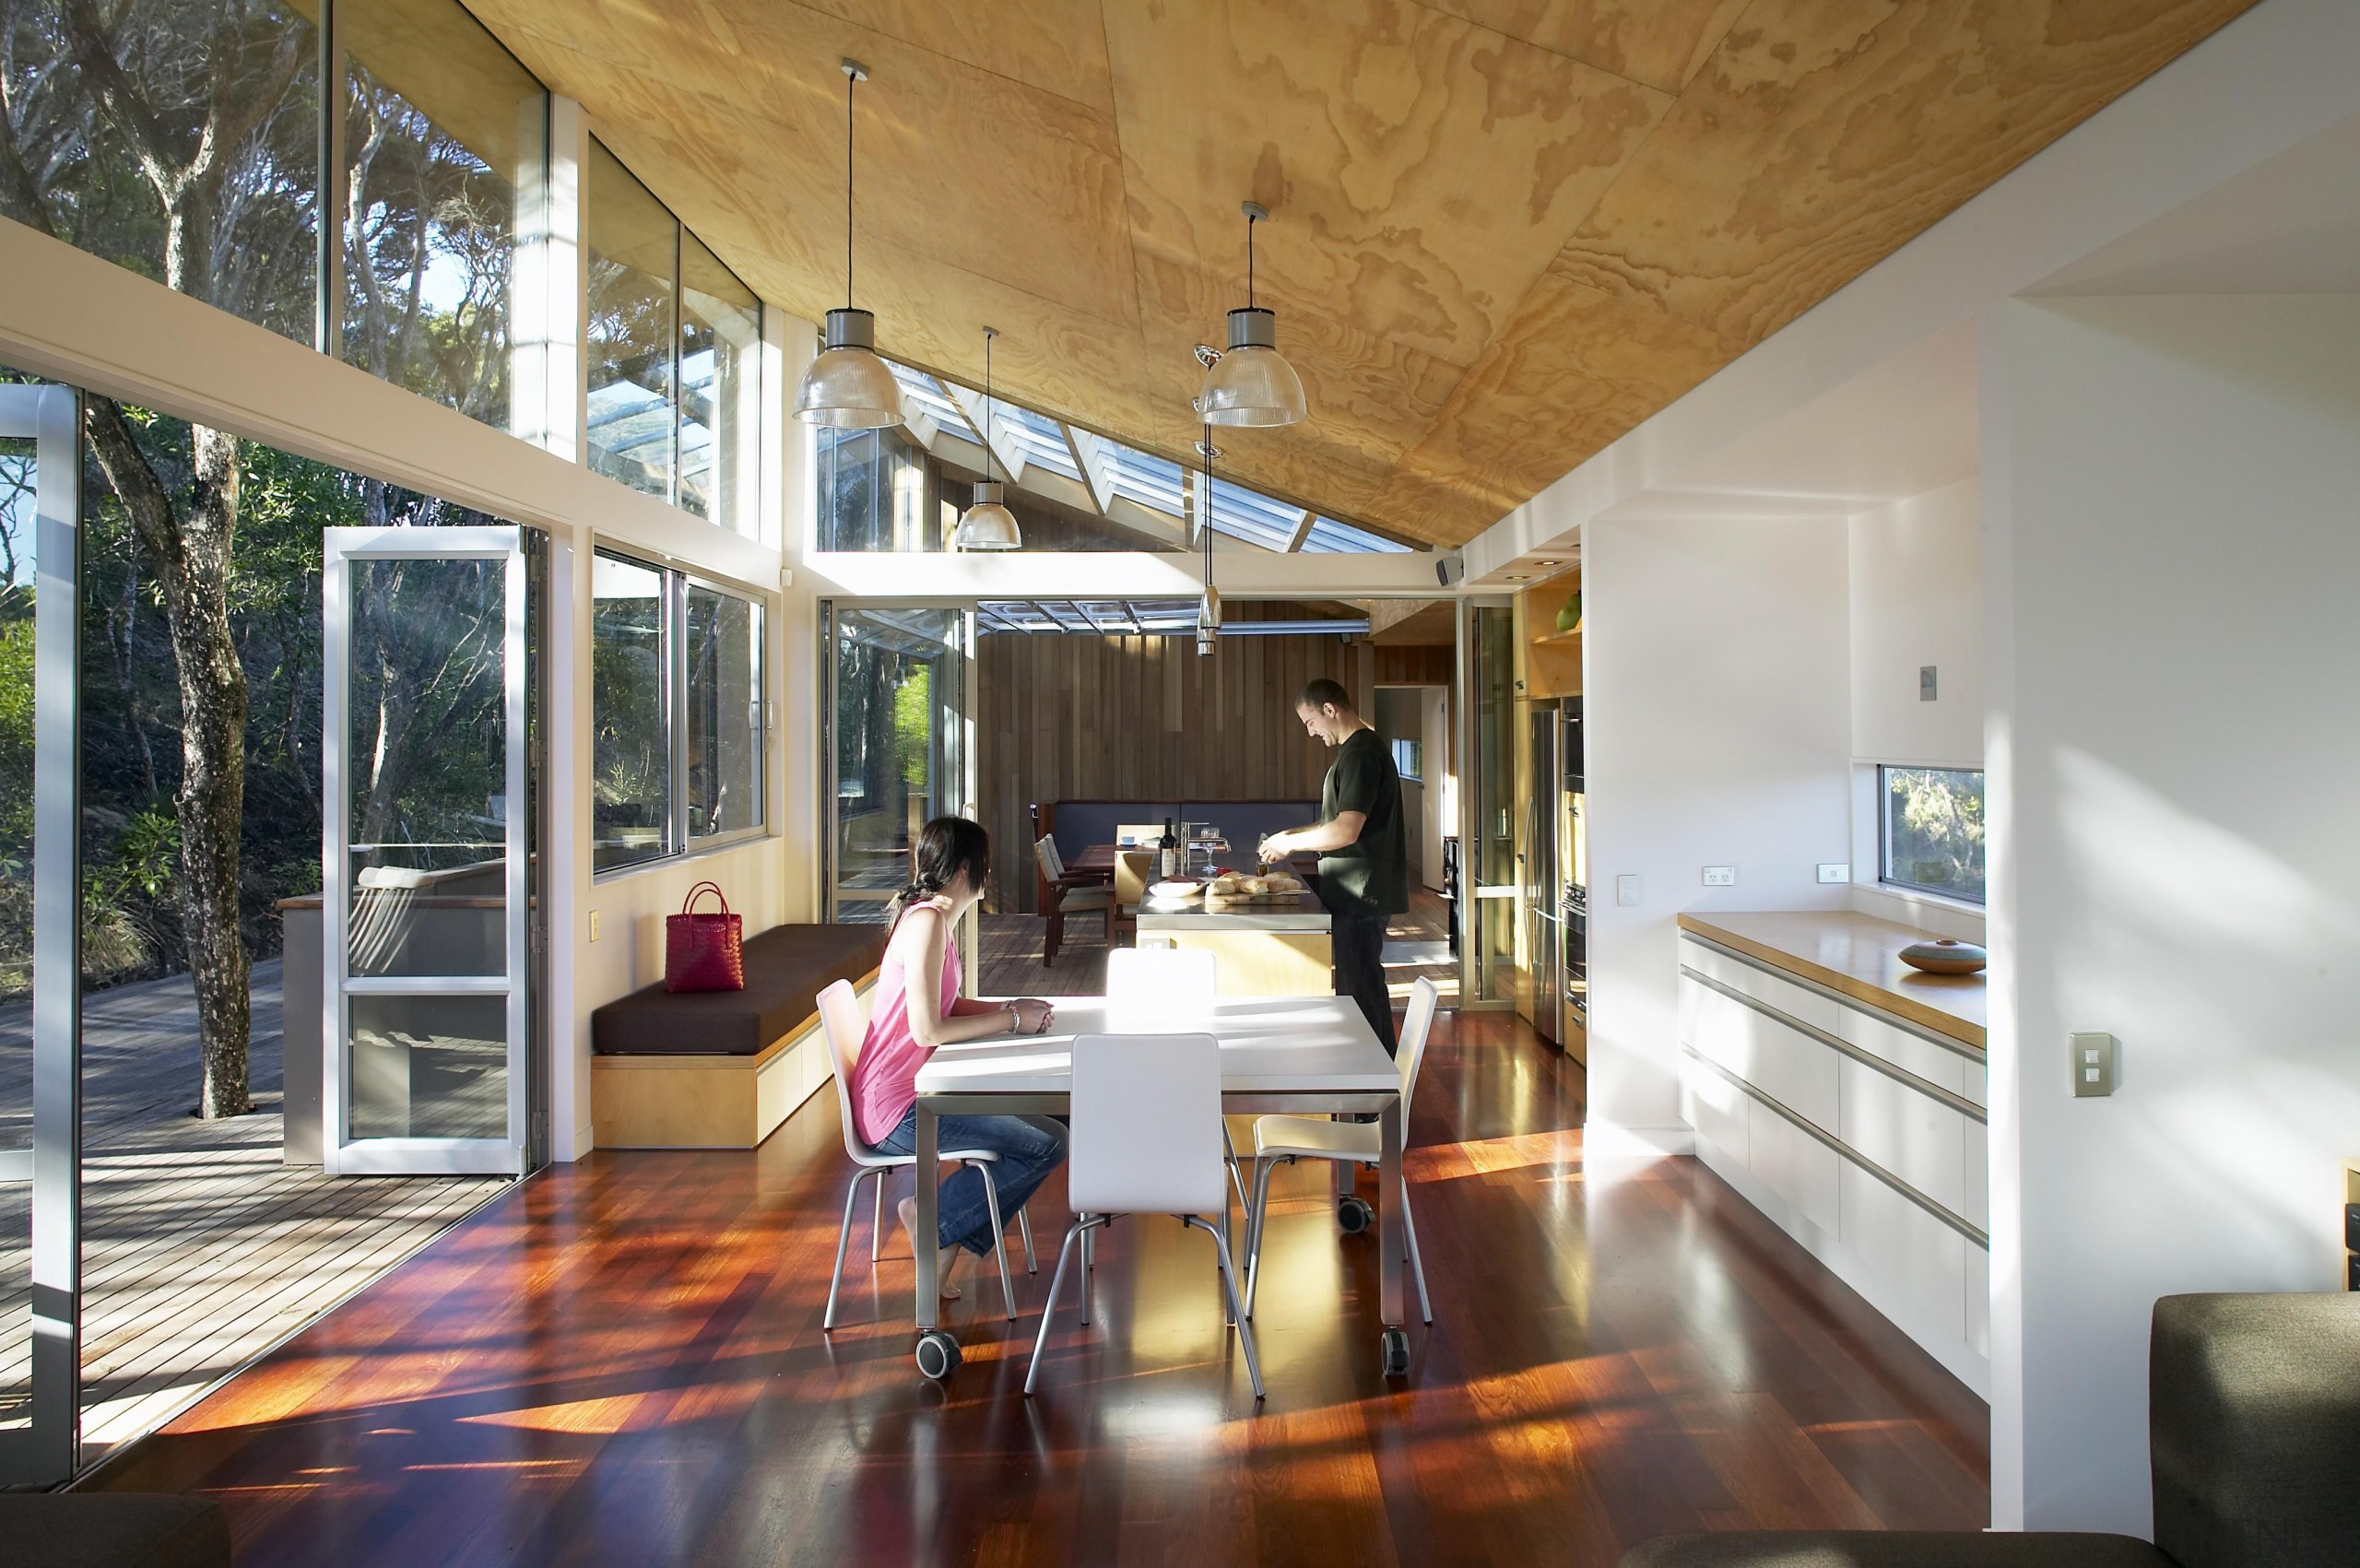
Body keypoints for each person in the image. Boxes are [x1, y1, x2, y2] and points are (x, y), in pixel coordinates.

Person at [849, 816, 1067, 1300]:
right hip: (901, 1111)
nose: (989, 872)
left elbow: (945, 1008)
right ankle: (932, 1219)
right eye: (985, 863)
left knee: (1051, 1133)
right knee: (1046, 1145)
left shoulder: (933, 921)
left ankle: (940, 1228)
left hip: (919, 1093)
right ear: (966, 868)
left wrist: (1010, 1008)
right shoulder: (926, 923)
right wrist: (1011, 1020)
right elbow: (928, 1029)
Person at [1258, 678, 1410, 1055]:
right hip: (1355, 892)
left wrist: (1290, 844)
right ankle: (1371, 1074)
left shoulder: (1361, 753)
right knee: (1358, 987)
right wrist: (1288, 835)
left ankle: (1377, 1080)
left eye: (1310, 722)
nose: (1310, 732)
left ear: (1330, 709)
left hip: (1360, 893)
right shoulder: (1356, 751)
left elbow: (1346, 830)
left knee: (1361, 991)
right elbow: (1335, 821)